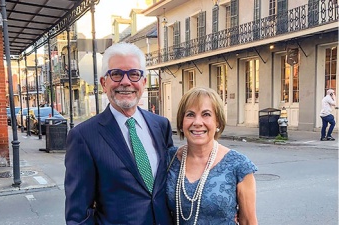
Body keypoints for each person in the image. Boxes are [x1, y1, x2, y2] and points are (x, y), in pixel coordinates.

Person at [64, 42, 174, 225]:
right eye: (116, 74)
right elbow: (78, 215)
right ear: (103, 83)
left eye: (134, 74)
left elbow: (174, 183)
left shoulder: (161, 126)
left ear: (144, 82)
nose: (125, 81)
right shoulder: (83, 136)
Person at [166, 87, 258, 225]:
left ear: (218, 122)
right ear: (181, 122)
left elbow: (248, 221)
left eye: (206, 114)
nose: (197, 122)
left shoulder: (239, 165)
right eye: (190, 114)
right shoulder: (169, 159)